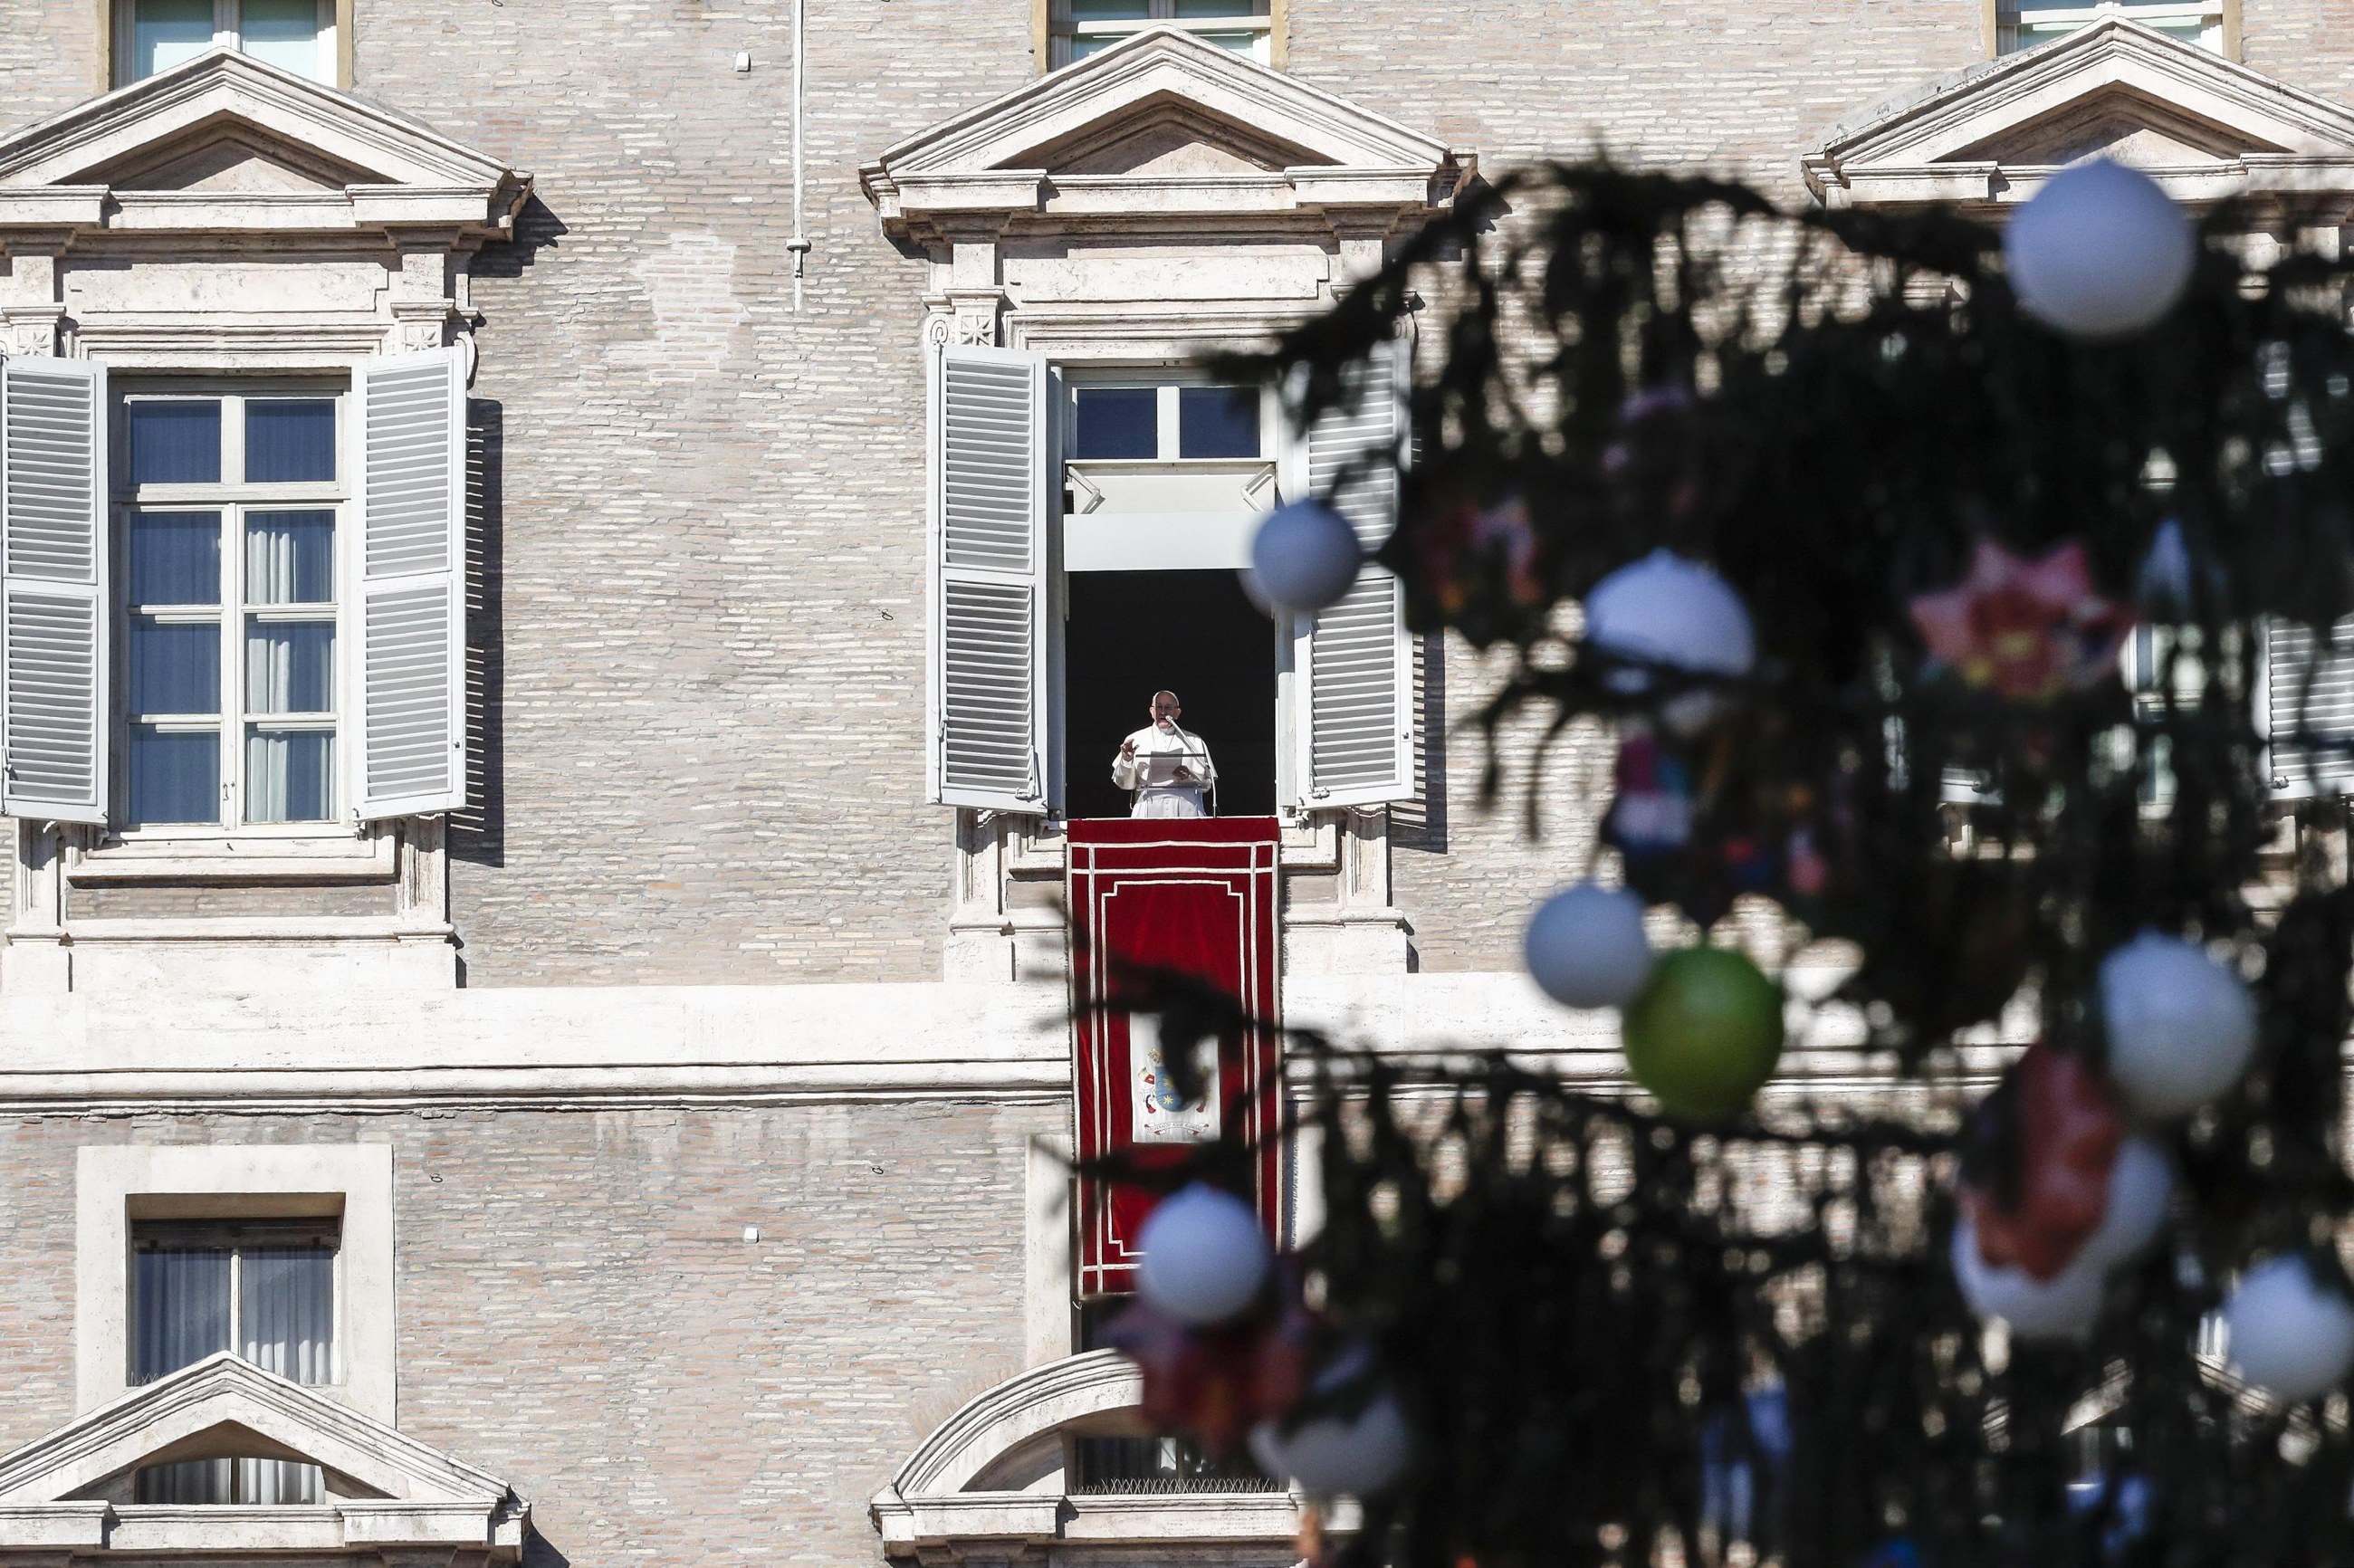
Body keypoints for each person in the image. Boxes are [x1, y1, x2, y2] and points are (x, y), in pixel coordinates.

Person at [1113, 690, 1218, 818]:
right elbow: (1124, 784)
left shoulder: (1194, 741)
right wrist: (1127, 760)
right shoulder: (1135, 739)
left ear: (1177, 713)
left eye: (1168, 707)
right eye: (1159, 707)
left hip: (1187, 809)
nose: (1163, 712)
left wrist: (1189, 776)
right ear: (1152, 712)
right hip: (1148, 810)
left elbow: (1208, 784)